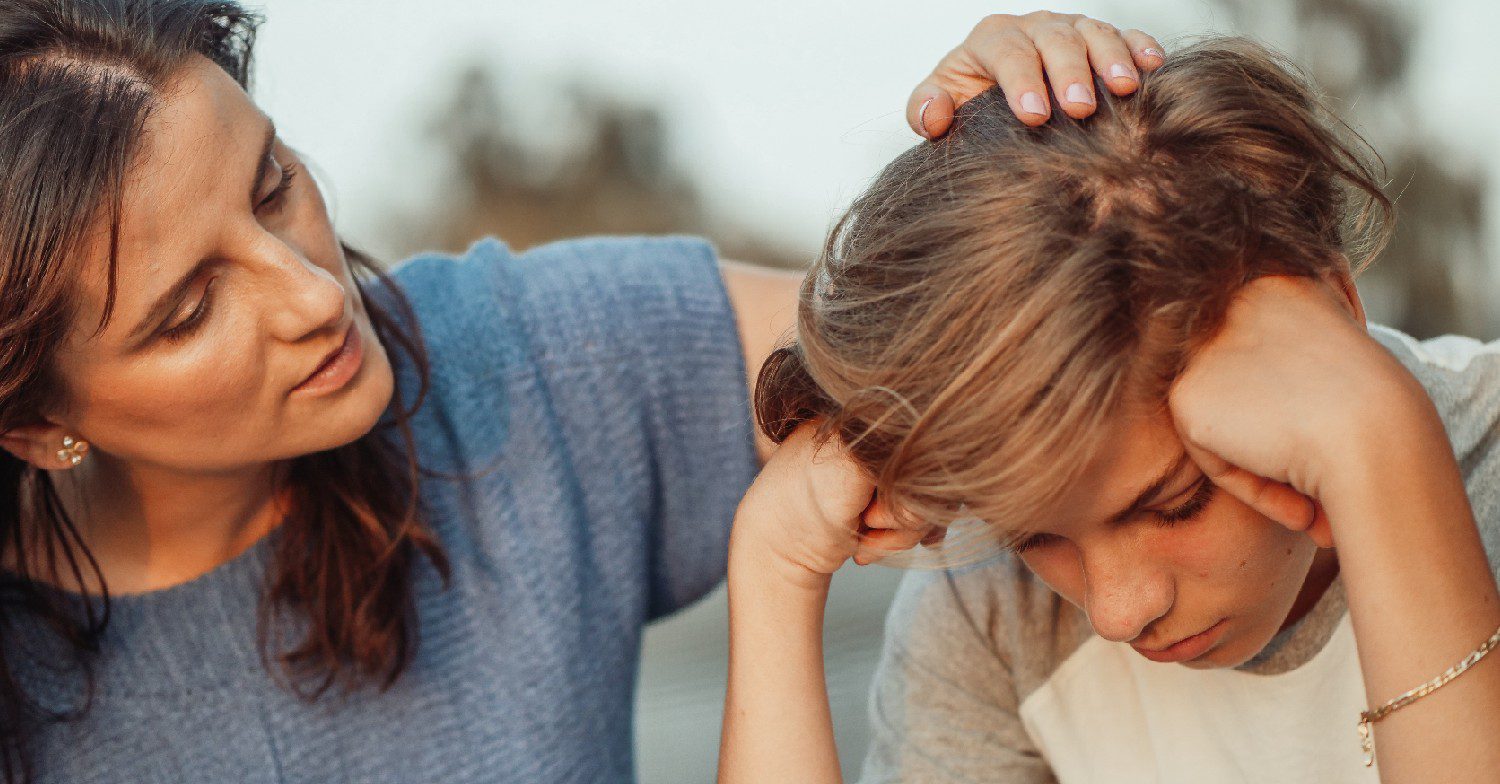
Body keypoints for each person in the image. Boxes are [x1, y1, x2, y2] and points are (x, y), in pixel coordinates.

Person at [0, 1, 1166, 781]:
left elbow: (985, 326)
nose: (312, 293)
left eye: (272, 187)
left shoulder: (522, 363)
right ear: (40, 423)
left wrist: (1029, 157)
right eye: (189, 310)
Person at [718, 36, 1500, 784]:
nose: (1117, 612)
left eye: (1175, 504)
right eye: (1033, 536)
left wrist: (1381, 448)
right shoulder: (993, 613)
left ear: (1334, 312)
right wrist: (773, 570)